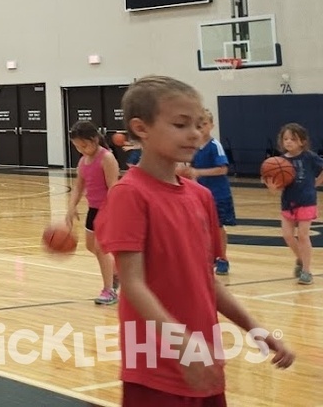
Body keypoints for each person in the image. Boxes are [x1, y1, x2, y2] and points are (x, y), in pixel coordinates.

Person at [96, 75, 294, 405]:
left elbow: (208, 281)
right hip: (158, 365)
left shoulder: (200, 197)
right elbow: (133, 283)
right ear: (141, 128)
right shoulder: (129, 195)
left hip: (204, 361)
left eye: (199, 124)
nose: (195, 134)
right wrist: (182, 344)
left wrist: (257, 330)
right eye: (180, 124)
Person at [64, 121, 119, 305]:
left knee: (101, 248)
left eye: (84, 145)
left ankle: (109, 290)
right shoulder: (83, 161)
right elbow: (79, 187)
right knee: (90, 246)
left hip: (108, 209)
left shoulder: (107, 158)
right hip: (93, 209)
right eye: (77, 146)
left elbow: (113, 188)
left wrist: (111, 213)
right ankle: (116, 271)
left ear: (95, 139)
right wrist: (71, 207)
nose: (81, 149)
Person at [268, 122, 323, 285]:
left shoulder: (309, 157)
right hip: (288, 202)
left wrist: (317, 183)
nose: (288, 142)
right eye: (285, 139)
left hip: (306, 201)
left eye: (293, 139)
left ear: (302, 141)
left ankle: (306, 271)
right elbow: (276, 186)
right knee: (287, 235)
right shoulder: (280, 161)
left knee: (303, 235)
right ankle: (300, 259)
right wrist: (272, 187)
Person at [185, 109, 236, 276]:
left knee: (218, 227)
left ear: (212, 126)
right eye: (198, 125)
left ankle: (223, 258)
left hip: (218, 194)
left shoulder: (215, 146)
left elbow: (223, 169)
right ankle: (207, 257)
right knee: (200, 227)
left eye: (204, 124)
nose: (201, 128)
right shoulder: (193, 147)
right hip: (199, 195)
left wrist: (199, 172)